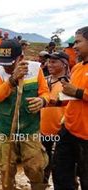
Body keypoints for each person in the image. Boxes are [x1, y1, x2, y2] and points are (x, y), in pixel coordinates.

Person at [0, 39, 49, 189]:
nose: (6, 67)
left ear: (20, 58)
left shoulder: (36, 69)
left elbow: (45, 92)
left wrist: (42, 100)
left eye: (10, 63)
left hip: (29, 129)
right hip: (5, 130)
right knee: (6, 168)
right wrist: (11, 80)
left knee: (35, 167)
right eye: (3, 62)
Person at [52, 26, 88, 190]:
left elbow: (78, 94)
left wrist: (78, 92)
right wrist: (50, 102)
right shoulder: (78, 67)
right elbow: (73, 98)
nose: (74, 46)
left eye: (78, 42)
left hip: (86, 138)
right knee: (61, 173)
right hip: (68, 130)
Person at [40, 51, 69, 185]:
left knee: (61, 165)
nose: (49, 64)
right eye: (48, 61)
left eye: (53, 62)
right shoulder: (44, 81)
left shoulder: (69, 84)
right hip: (43, 129)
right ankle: (43, 182)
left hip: (61, 131)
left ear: (64, 64)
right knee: (43, 159)